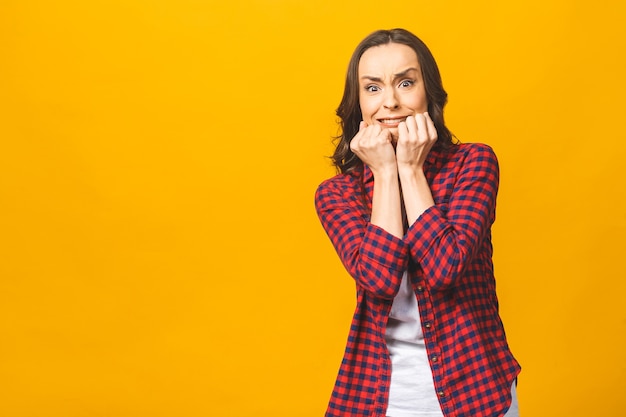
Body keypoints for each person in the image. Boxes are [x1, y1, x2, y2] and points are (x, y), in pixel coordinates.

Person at [314, 28, 521, 417]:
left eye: (405, 83)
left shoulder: (473, 164)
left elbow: (446, 268)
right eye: (372, 89)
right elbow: (379, 279)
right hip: (379, 396)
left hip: (477, 390)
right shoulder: (337, 194)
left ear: (430, 93)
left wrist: (410, 169)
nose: (390, 102)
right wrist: (386, 173)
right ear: (357, 104)